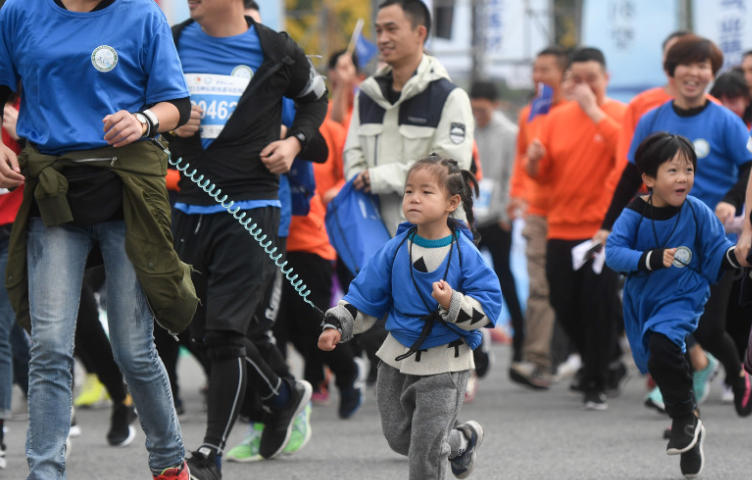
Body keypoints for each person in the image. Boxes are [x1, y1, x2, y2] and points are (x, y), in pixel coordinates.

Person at [0, 0, 199, 478]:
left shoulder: (143, 14)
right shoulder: (17, 12)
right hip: (53, 189)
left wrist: (144, 121)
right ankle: (45, 471)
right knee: (48, 344)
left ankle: (170, 463)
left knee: (133, 347)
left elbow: (179, 106)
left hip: (127, 190)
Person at [164, 0, 328, 477]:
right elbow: (142, 104)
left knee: (227, 333)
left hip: (251, 209)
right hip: (188, 207)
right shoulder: (171, 43)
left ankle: (210, 453)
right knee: (191, 325)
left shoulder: (277, 50)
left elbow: (316, 100)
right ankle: (281, 396)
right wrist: (174, 117)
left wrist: (294, 142)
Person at [319, 155, 502, 480]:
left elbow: (489, 306)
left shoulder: (464, 252)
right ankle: (460, 441)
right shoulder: (394, 248)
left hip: (446, 362)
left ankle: (444, 446)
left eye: (426, 192)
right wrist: (337, 325)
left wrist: (453, 302)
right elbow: (364, 295)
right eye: (408, 191)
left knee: (424, 452)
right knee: (401, 438)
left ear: (452, 202)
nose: (414, 198)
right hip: (396, 359)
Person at [601, 35, 752, 418]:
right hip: (666, 238)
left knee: (710, 328)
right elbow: (631, 174)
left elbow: (749, 166)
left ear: (712, 74)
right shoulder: (653, 118)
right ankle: (689, 393)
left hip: (712, 235)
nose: (695, 73)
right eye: (687, 64)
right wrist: (608, 225)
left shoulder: (724, 119)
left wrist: (730, 200)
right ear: (671, 71)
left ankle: (735, 378)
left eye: (704, 66)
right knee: (671, 320)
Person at [606, 132, 742, 478]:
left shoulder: (698, 212)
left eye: (689, 170)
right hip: (644, 300)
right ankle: (691, 429)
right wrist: (651, 258)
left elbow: (717, 253)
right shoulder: (635, 211)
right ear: (649, 179)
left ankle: (683, 417)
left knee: (664, 344)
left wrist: (739, 257)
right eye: (673, 171)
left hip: (684, 295)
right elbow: (614, 253)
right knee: (655, 356)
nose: (683, 178)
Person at [526, 47, 628, 410]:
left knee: (598, 304)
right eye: (577, 80)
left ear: (606, 79)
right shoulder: (555, 118)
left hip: (600, 230)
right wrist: (535, 160)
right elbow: (539, 175)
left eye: (592, 79)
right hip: (560, 228)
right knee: (562, 302)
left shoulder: (617, 114)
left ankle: (595, 378)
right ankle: (604, 360)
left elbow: (628, 156)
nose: (583, 86)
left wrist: (592, 110)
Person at [344, 0, 474, 236]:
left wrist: (378, 178)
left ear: (420, 33)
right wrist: (361, 180)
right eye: (379, 30)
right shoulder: (366, 95)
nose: (382, 38)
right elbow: (352, 157)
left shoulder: (450, 97)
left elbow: (450, 168)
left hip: (434, 241)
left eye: (392, 29)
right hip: (373, 236)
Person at [506, 46, 570, 389]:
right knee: (539, 288)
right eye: (535, 70)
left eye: (545, 70)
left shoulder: (577, 111)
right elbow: (520, 160)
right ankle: (537, 360)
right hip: (539, 214)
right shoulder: (530, 112)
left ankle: (594, 356)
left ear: (564, 74)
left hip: (577, 217)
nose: (537, 77)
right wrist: (517, 194)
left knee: (579, 291)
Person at [468, 80, 524, 376]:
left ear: (495, 105)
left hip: (498, 217)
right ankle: (473, 343)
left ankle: (521, 343)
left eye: (482, 109)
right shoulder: (467, 129)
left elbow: (512, 174)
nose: (478, 114)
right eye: (474, 109)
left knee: (505, 277)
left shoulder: (509, 133)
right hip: (472, 217)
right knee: (467, 281)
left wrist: (506, 212)